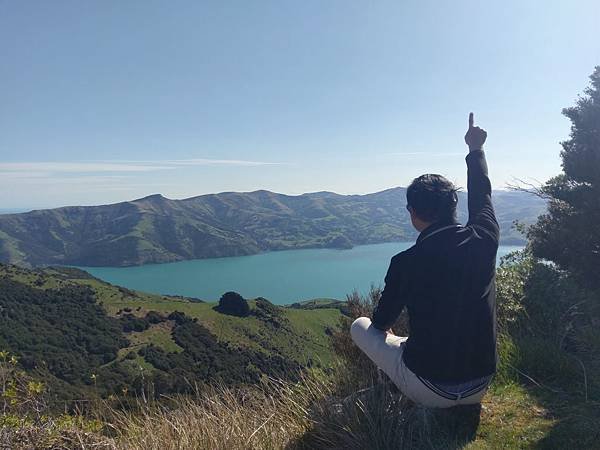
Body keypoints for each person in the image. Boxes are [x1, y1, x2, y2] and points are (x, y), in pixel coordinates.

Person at [350, 113, 498, 408]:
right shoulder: (484, 239)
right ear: (454, 208)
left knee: (360, 326)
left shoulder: (406, 262)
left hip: (431, 389)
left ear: (412, 212)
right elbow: (483, 197)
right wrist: (475, 149)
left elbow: (380, 323)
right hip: (481, 383)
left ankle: (391, 387)